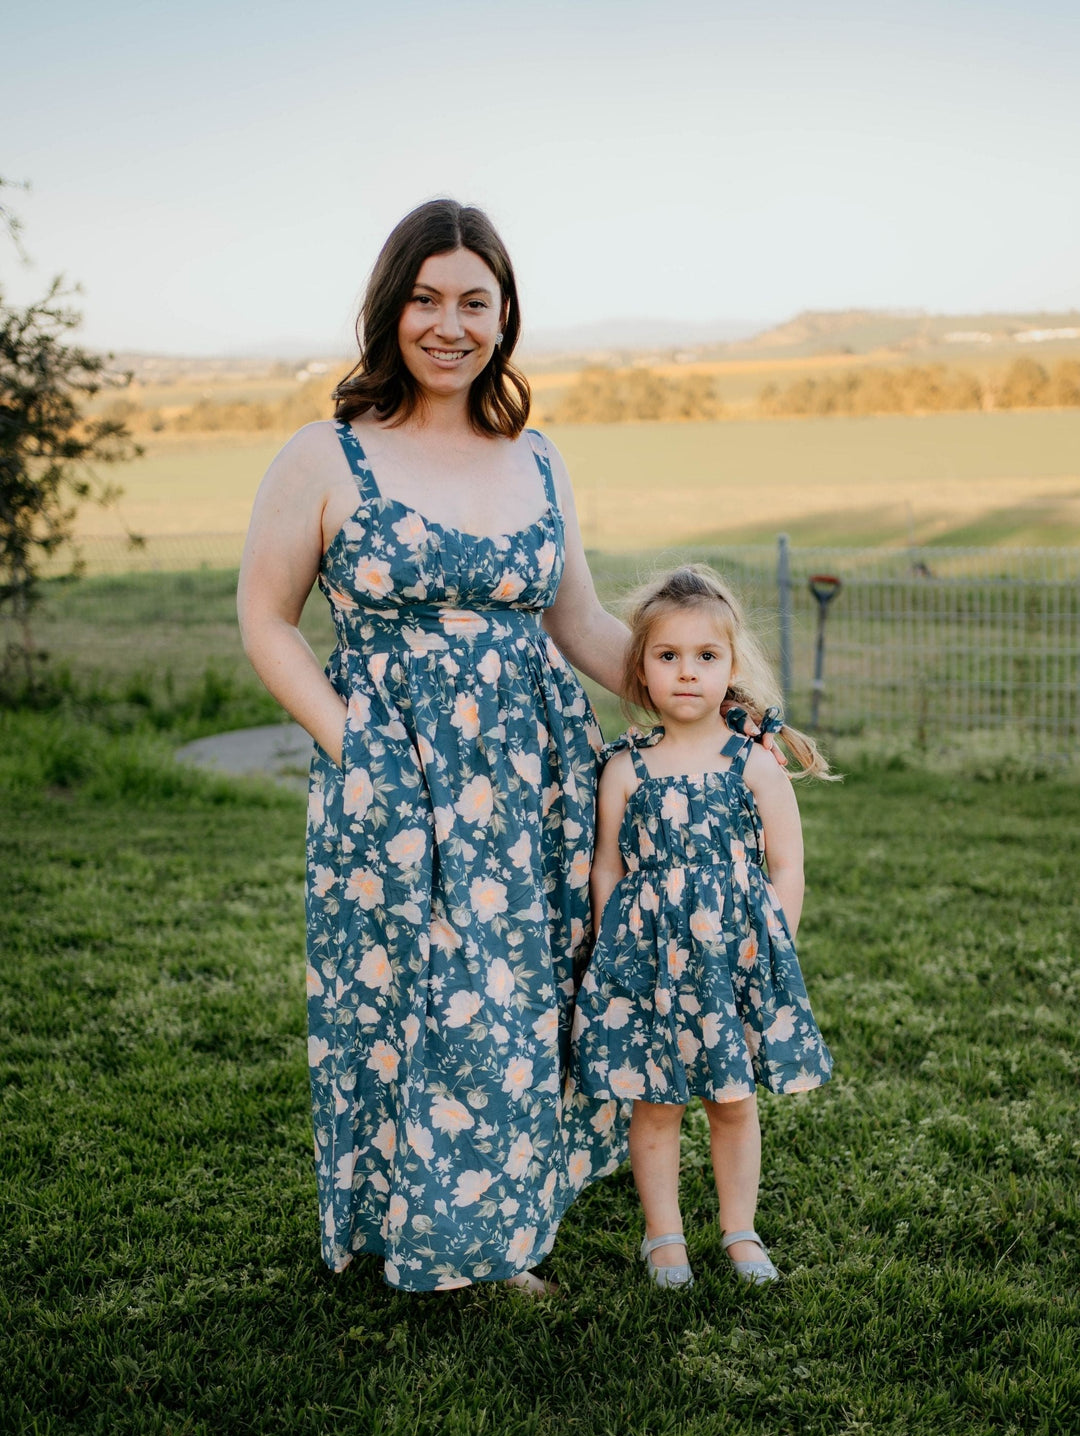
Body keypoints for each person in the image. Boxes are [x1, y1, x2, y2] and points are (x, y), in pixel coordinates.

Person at [237, 198, 642, 1293]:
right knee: (397, 991)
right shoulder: (324, 454)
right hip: (393, 772)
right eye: (426, 298)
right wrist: (352, 743)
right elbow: (267, 616)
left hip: (531, 775)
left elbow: (584, 627)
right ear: (391, 308)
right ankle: (394, 1217)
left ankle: (494, 1235)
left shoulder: (538, 457)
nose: (449, 323)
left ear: (505, 315)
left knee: (512, 996)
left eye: (474, 300)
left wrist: (722, 696)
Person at [571, 565, 834, 1289]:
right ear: (642, 669)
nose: (687, 673)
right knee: (656, 1105)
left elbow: (787, 864)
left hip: (731, 964)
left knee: (731, 1101)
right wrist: (612, 953)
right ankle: (664, 1237)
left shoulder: (753, 764)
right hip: (652, 969)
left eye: (706, 657)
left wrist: (771, 950)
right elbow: (607, 868)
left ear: (731, 666)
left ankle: (739, 1230)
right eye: (668, 656)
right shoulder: (625, 769)